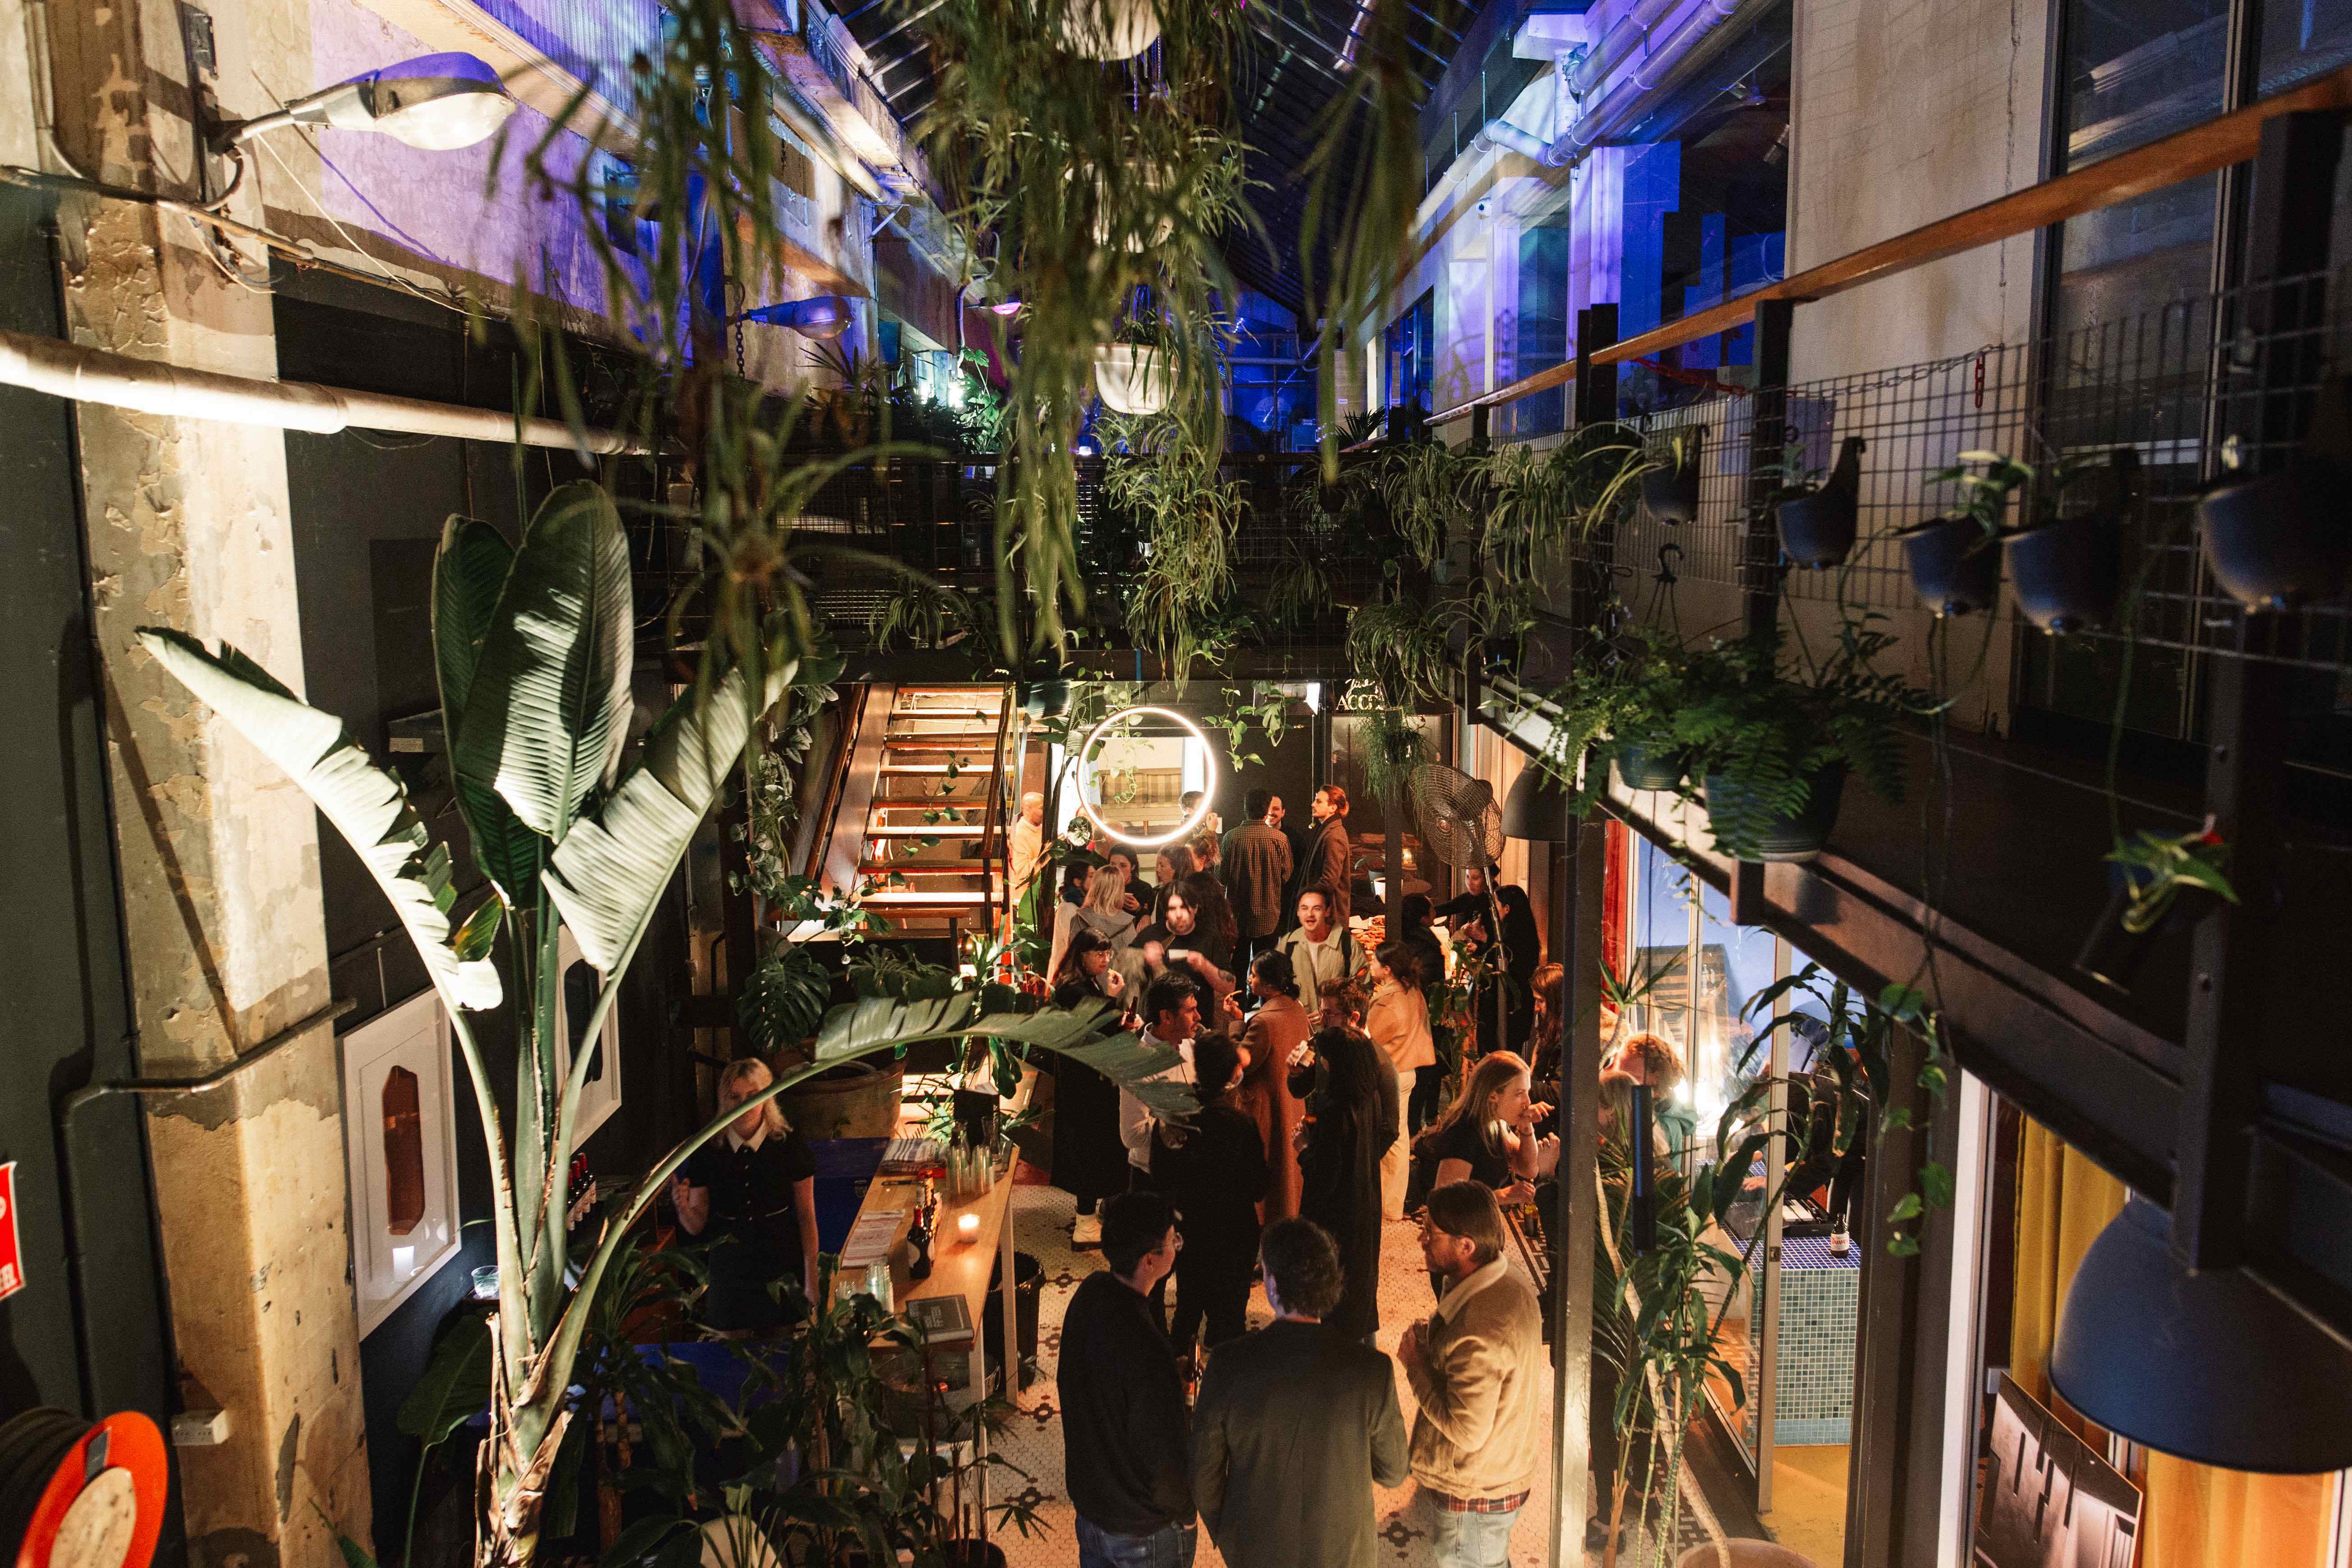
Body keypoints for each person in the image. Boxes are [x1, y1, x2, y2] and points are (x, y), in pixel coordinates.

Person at [1191, 1218, 1409, 1568]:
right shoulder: (1372, 1370)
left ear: (1272, 1284)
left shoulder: (1228, 1364)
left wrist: (1230, 1533)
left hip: (1255, 1552)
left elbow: (1203, 1473)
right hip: (1345, 1555)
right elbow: (1394, 1471)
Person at [1401, 1184, 1545, 1568]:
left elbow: (1466, 1432)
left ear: (1466, 1246)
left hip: (1476, 1493)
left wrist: (1416, 1366)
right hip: (1500, 1468)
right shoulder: (1505, 1278)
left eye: (1431, 1233)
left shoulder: (1478, 1332)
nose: (1422, 1240)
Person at [1060, 1192, 1198, 1568]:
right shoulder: (1146, 1346)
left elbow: (1099, 1382)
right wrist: (1187, 1513)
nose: (1178, 1245)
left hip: (1092, 1510)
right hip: (1142, 1529)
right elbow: (1163, 1457)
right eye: (1173, 1240)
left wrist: (1167, 1376)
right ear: (1150, 1260)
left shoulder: (1089, 1294)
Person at [671, 1059, 819, 1334]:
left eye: (753, 1095)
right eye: (735, 1097)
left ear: (767, 1096)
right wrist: (684, 1209)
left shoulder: (788, 1144)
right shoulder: (709, 1149)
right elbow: (696, 1225)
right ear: (724, 1100)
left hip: (781, 1260)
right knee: (731, 1349)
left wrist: (812, 1278)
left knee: (781, 1347)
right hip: (730, 1266)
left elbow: (806, 1215)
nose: (744, 1104)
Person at [1152, 1032, 1269, 1357]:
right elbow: (1259, 1186)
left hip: (1189, 1231)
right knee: (1230, 1321)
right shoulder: (1241, 1125)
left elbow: (1160, 1176)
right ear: (1232, 1074)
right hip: (1235, 1236)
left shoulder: (1173, 1119)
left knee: (1187, 1310)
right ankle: (1225, 1379)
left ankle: (1179, 1374)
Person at [1290, 1026, 1395, 1340]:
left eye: (1325, 1058)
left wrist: (1303, 1149)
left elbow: (1325, 1177)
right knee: (1359, 1292)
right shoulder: (1369, 1097)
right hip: (1363, 1205)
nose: (1321, 1064)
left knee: (1335, 1299)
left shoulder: (1336, 1108)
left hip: (1337, 1217)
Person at [1052, 930, 1132, 1245]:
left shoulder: (1082, 984)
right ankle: (1085, 1222)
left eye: (1108, 954)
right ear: (1082, 955)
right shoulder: (1071, 989)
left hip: (1087, 1077)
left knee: (1095, 1146)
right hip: (1083, 1083)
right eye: (1099, 954)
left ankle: (1090, 1216)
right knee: (1088, 1147)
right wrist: (1112, 999)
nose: (1106, 960)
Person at [1235, 951, 1312, 1221]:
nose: (1249, 979)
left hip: (1266, 1108)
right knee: (1287, 1172)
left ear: (1268, 986)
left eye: (1254, 975)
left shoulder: (1264, 1022)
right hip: (1292, 1100)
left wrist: (1236, 1025)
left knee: (1268, 1170)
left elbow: (1240, 1063)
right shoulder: (1297, 1009)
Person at [1422, 1051, 1548, 1208]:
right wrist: (1503, 1196)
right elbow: (1447, 1201)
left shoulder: (1497, 1123)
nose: (1528, 1102)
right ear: (1493, 1096)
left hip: (1483, 1220)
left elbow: (1529, 1169)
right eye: (1519, 1094)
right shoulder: (1465, 1131)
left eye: (1527, 1092)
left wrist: (1526, 1125)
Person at [1364, 942, 1434, 1221]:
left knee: (1390, 1138)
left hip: (1390, 1073)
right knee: (1399, 1135)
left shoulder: (1390, 1000)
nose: (1371, 965)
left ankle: (1387, 1205)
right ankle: (1391, 1204)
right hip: (1406, 1070)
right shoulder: (1412, 992)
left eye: (1375, 961)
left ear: (1387, 969)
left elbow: (1371, 1038)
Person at [1120, 974, 1201, 1188]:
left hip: (1187, 1170)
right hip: (1152, 1178)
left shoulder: (1189, 1045)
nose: (1199, 1017)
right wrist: (1182, 1121)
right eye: (1191, 1011)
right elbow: (1131, 1136)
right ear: (1166, 1017)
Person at [1222, 788, 1295, 970]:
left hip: (1238, 917)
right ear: (1266, 810)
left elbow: (1221, 876)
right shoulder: (1280, 839)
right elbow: (1287, 875)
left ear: (1245, 808)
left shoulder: (1231, 838)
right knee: (1266, 970)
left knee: (1237, 968)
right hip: (1269, 917)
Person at [1607, 1031, 1697, 1158]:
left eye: (1632, 1077)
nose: (1619, 1082)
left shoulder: (1660, 1128)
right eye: (1618, 1072)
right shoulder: (1633, 1110)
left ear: (1656, 1078)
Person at [1272, 888, 1359, 1014]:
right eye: (1305, 909)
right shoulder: (1287, 945)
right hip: (1298, 1020)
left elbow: (1361, 989)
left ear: (1327, 911)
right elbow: (1275, 989)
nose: (1310, 914)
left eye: (1317, 909)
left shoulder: (1347, 946)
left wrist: (1331, 1011)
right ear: (1298, 912)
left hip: (1335, 1022)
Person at [1288, 786, 1353, 924]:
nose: (1313, 804)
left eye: (1318, 801)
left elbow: (1329, 882)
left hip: (1327, 919)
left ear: (1333, 808)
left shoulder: (1334, 835)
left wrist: (1305, 898)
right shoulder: (1327, 830)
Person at [1008, 790, 1045, 908]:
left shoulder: (1042, 828)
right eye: (1042, 808)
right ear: (1028, 810)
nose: (1046, 812)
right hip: (1025, 900)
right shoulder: (1019, 834)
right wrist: (1047, 855)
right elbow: (1022, 872)